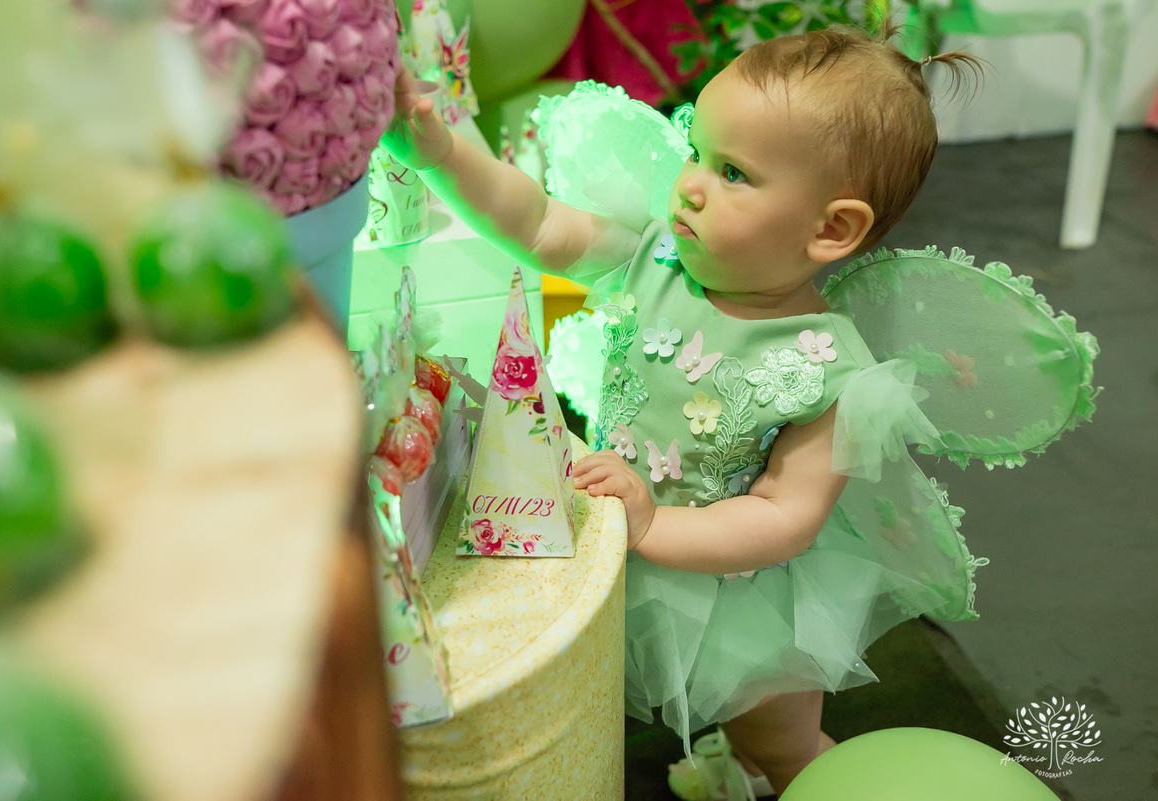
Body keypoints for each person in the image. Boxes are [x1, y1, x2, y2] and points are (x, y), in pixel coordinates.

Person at [383, 21, 984, 798]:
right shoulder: (658, 254)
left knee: (776, 735)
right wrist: (445, 153)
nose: (689, 183)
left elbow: (785, 515)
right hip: (619, 544)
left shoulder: (827, 370)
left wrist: (657, 525)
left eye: (732, 172)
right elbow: (535, 222)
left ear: (831, 229)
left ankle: (803, 776)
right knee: (594, 686)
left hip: (738, 601)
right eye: (697, 149)